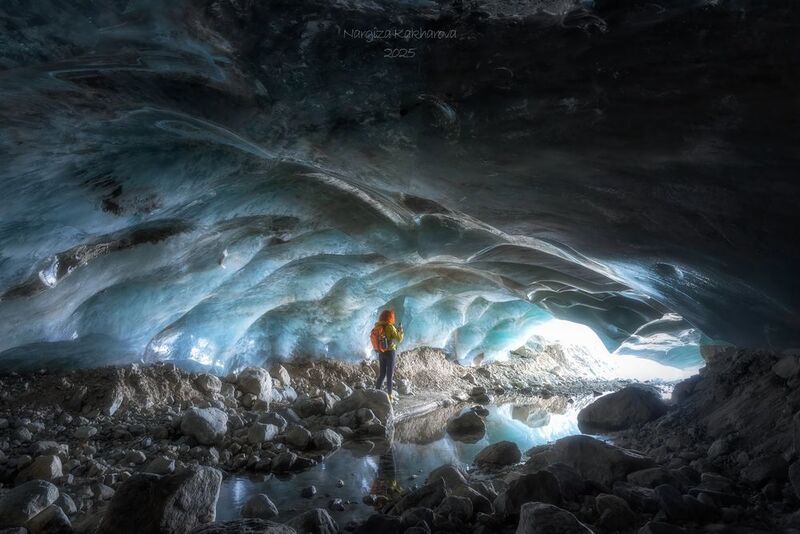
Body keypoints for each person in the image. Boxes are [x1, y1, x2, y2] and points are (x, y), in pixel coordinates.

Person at [370, 309, 404, 401]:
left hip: (381, 352)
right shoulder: (390, 327)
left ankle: (376, 394)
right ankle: (390, 396)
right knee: (389, 375)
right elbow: (399, 339)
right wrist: (400, 330)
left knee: (382, 374)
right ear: (390, 318)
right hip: (390, 353)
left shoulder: (378, 327)